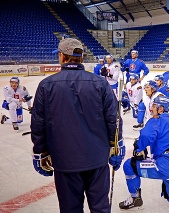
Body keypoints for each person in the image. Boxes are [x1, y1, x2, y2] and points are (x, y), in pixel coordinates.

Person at [30, 38, 125, 213]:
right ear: (81, 58)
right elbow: (114, 119)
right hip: (97, 159)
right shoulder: (100, 83)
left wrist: (40, 152)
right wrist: (118, 146)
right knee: (100, 208)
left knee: (70, 209)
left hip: (64, 162)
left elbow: (38, 124)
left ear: (61, 56)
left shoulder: (46, 85)